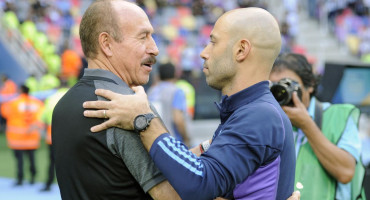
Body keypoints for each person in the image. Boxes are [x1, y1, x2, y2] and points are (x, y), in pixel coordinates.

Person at [83, 7, 296, 200]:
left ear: (241, 50)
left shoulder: (260, 115)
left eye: (213, 42)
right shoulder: (250, 110)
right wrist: (206, 147)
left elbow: (200, 184)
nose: (204, 52)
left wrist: (144, 119)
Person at [51, 0, 180, 199]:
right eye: (143, 36)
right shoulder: (128, 107)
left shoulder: (63, 105)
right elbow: (171, 194)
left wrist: (205, 148)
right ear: (107, 44)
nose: (155, 48)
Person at [269, 53, 365, 199]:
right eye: (275, 87)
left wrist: (306, 124)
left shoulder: (340, 115)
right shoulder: (268, 120)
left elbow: (346, 172)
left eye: (287, 85)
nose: (281, 93)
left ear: (310, 85)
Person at [0, 85, 44, 186]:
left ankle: (20, 179)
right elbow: (42, 117)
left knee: (19, 160)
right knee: (32, 159)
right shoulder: (37, 103)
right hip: (32, 137)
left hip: (17, 138)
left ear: (20, 90)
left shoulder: (13, 103)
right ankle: (33, 178)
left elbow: (4, 112)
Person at [147, 62, 190, 146]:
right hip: (172, 141)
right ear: (175, 74)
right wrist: (186, 138)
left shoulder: (151, 91)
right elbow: (178, 119)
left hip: (153, 140)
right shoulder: (176, 91)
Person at [39, 81, 69, 192]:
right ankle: (69, 186)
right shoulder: (72, 95)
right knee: (71, 161)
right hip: (70, 134)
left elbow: (44, 116)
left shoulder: (51, 98)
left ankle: (48, 184)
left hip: (52, 134)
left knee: (52, 161)